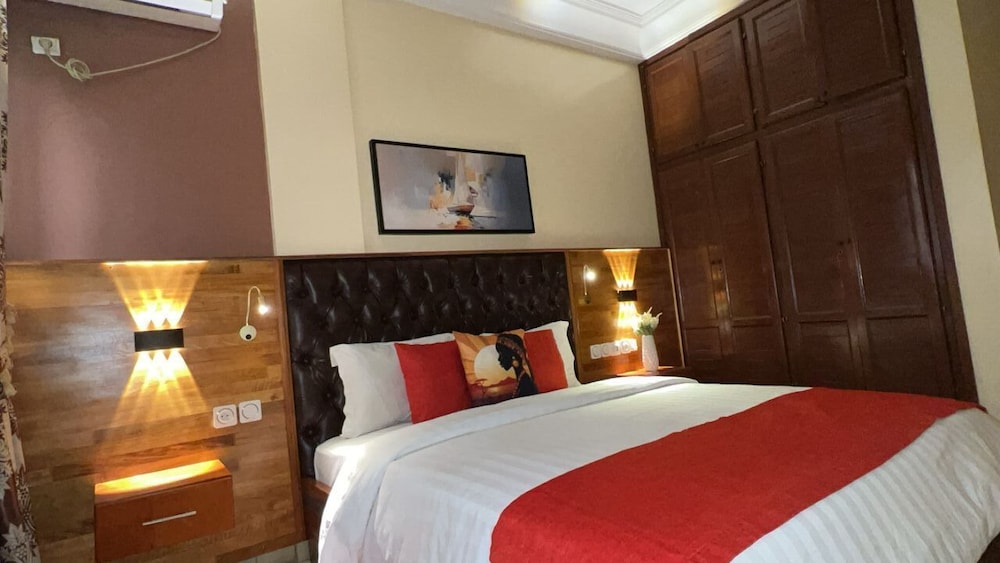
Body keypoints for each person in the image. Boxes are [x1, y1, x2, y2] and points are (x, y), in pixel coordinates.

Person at [495, 333, 538, 399]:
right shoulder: (523, 379)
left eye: (501, 354)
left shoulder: (525, 382)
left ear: (513, 357)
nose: (499, 359)